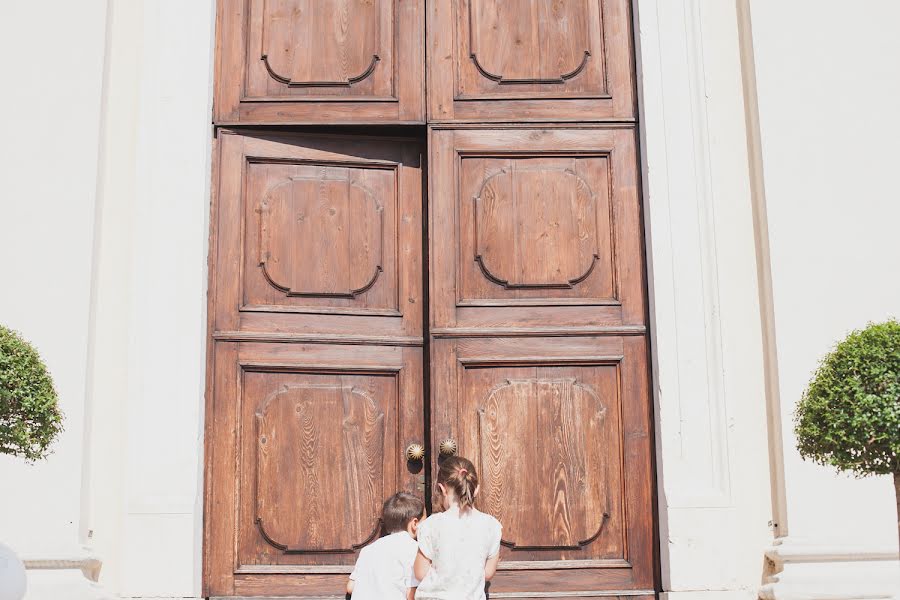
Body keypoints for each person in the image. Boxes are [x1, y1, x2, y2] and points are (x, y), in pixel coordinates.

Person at [413, 456, 502, 600]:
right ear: (477, 489)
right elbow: (488, 573)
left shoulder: (431, 525)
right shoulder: (491, 526)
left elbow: (420, 572)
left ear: (442, 489)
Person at [347, 491, 426, 600]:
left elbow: (350, 587)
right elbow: (411, 595)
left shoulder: (368, 549)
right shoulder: (414, 549)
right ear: (415, 523)